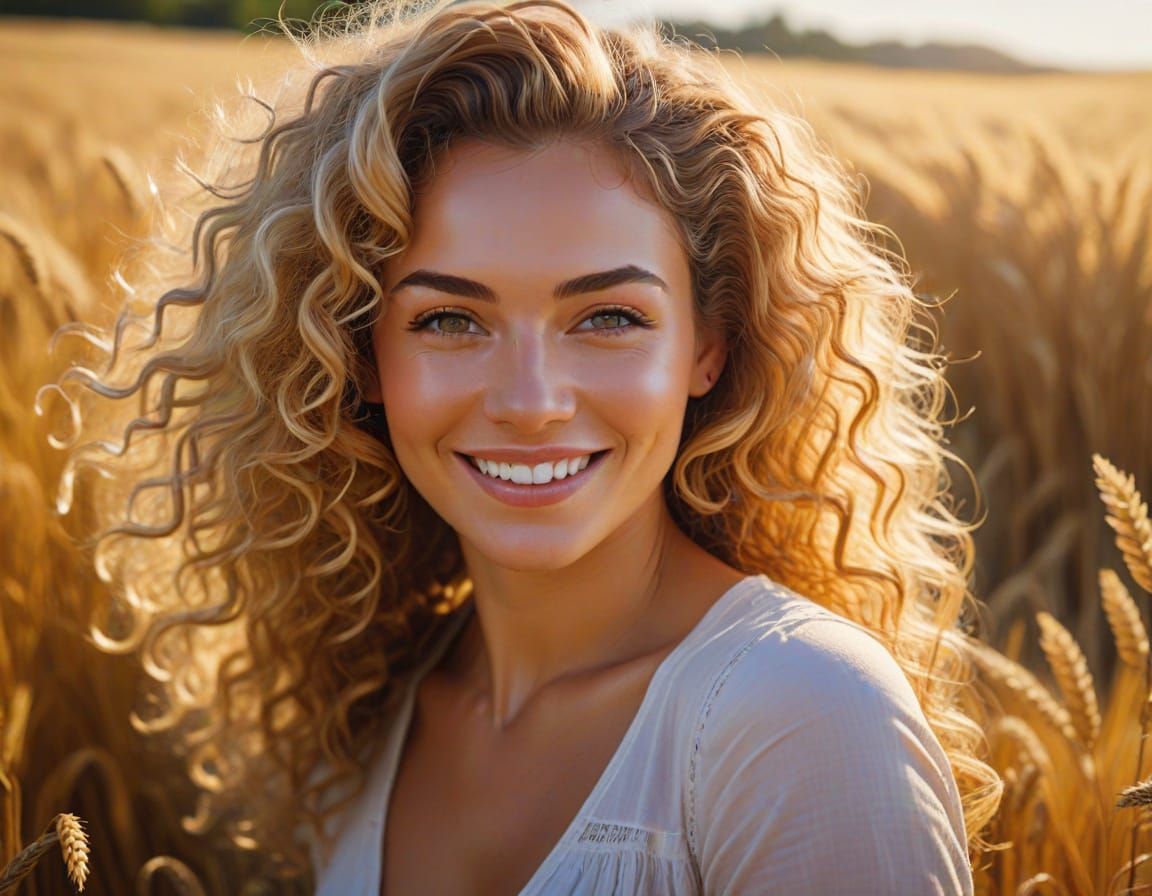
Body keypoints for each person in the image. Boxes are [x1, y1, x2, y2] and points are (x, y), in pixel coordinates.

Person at [49, 0, 1002, 891]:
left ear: (707, 346)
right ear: (359, 354)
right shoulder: (382, 710)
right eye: (451, 321)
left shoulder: (801, 717)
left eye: (610, 317)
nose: (532, 403)